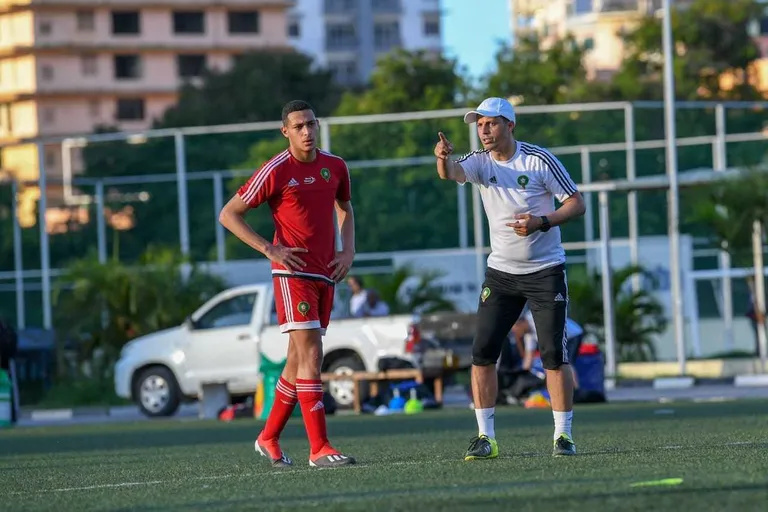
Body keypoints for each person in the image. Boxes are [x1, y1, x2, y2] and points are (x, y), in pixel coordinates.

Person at [434, 97, 586, 459]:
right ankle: (485, 437)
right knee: (482, 352)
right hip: (501, 273)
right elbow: (451, 173)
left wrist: (541, 222)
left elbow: (576, 202)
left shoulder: (538, 159)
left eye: (491, 123)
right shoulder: (479, 161)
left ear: (510, 125)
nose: (484, 130)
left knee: (553, 355)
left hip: (545, 271)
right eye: (480, 125)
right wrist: (442, 157)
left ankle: (562, 436)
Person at [219, 100, 356, 469]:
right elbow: (228, 214)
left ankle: (268, 437)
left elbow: (345, 207)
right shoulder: (276, 170)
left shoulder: (335, 166)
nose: (307, 132)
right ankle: (320, 448)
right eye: (298, 126)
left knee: (297, 361)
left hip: (326, 272)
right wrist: (269, 248)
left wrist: (347, 252)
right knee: (313, 355)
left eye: (311, 124)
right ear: (286, 132)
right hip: (292, 274)